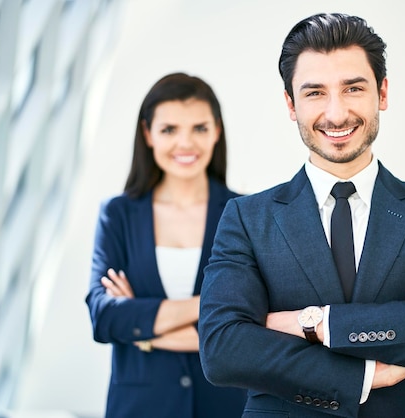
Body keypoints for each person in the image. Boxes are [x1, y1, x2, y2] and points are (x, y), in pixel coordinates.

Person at [198, 13, 405, 418]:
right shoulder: (247, 219)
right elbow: (223, 349)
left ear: (382, 93)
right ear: (291, 104)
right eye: (315, 93)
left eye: (353, 88)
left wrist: (317, 324)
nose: (336, 114)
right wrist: (368, 374)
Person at [85, 72, 246, 418]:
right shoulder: (119, 214)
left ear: (217, 131)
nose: (185, 143)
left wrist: (141, 330)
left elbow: (253, 326)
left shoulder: (246, 214)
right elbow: (103, 317)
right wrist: (211, 305)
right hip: (140, 408)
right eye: (169, 129)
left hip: (225, 406)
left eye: (199, 128)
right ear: (148, 134)